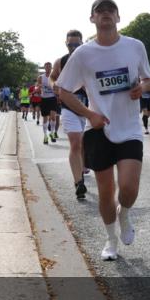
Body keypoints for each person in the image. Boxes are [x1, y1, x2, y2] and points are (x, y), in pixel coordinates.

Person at [55, 0, 150, 261]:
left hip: (130, 126)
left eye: (111, 11)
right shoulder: (84, 53)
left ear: (118, 18)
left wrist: (141, 88)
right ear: (93, 19)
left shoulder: (135, 46)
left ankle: (125, 213)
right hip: (98, 129)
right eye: (100, 11)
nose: (106, 14)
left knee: (129, 187)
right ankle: (111, 241)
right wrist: (89, 114)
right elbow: (63, 91)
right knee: (106, 190)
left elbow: (149, 80)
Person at [50, 29, 90, 200]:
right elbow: (52, 77)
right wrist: (54, 86)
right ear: (66, 44)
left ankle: (83, 166)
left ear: (82, 43)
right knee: (75, 143)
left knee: (84, 144)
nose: (73, 47)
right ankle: (79, 183)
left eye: (76, 44)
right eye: (70, 44)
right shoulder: (61, 61)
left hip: (89, 109)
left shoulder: (91, 58)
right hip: (68, 108)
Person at [38, 62, 59, 144]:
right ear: (44, 68)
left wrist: (57, 93)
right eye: (46, 67)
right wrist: (39, 89)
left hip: (53, 98)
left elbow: (57, 87)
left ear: (51, 68)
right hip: (44, 99)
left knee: (53, 117)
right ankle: (45, 136)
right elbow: (39, 87)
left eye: (49, 67)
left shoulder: (54, 77)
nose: (48, 68)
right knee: (45, 118)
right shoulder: (40, 77)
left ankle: (52, 133)